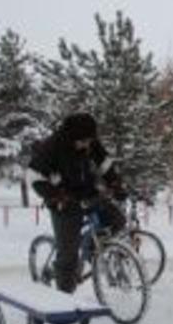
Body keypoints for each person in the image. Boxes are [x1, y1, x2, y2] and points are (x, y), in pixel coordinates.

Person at [29, 113, 126, 293]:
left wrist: (115, 183)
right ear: (72, 136)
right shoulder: (52, 146)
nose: (88, 144)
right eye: (84, 141)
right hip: (63, 202)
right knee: (68, 257)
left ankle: (91, 249)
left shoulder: (89, 141)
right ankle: (65, 301)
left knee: (117, 220)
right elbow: (33, 177)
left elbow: (104, 163)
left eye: (90, 140)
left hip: (88, 194)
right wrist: (56, 196)